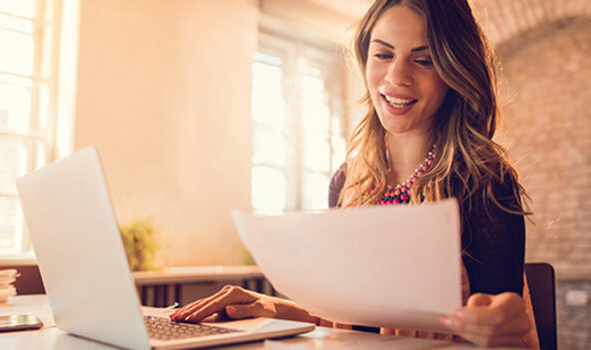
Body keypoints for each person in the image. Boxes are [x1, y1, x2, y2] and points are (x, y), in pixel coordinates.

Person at [171, 0, 539, 347]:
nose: (396, 77)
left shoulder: (485, 182)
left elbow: (502, 320)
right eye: (383, 54)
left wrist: (505, 322)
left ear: (454, 71)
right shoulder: (346, 182)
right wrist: (269, 306)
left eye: (423, 60)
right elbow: (346, 318)